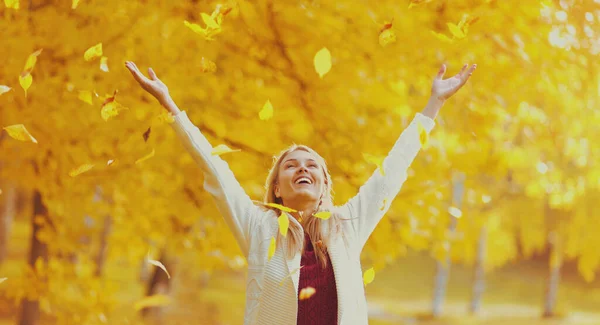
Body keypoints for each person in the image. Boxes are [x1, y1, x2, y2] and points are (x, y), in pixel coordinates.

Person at [125, 60, 476, 325]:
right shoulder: (259, 228)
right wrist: (170, 105)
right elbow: (214, 169)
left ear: (324, 184)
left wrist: (434, 105)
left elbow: (393, 171)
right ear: (277, 188)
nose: (303, 168)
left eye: (311, 166)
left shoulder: (347, 225)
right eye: (291, 165)